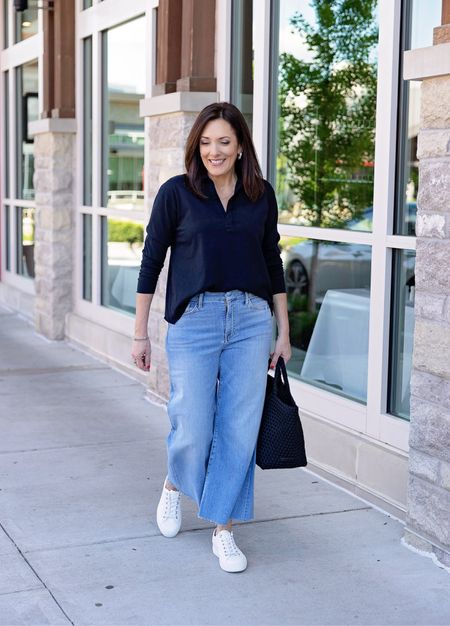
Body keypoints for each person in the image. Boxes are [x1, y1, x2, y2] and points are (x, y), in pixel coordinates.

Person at [132, 102, 291, 573]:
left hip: (250, 321)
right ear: (195, 146)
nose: (213, 151)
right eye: (205, 142)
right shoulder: (176, 194)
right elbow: (150, 262)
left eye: (223, 141)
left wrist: (283, 330)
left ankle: (223, 527)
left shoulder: (260, 196)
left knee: (238, 430)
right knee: (193, 424)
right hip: (194, 321)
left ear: (241, 146)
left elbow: (272, 261)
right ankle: (173, 485)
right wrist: (140, 333)